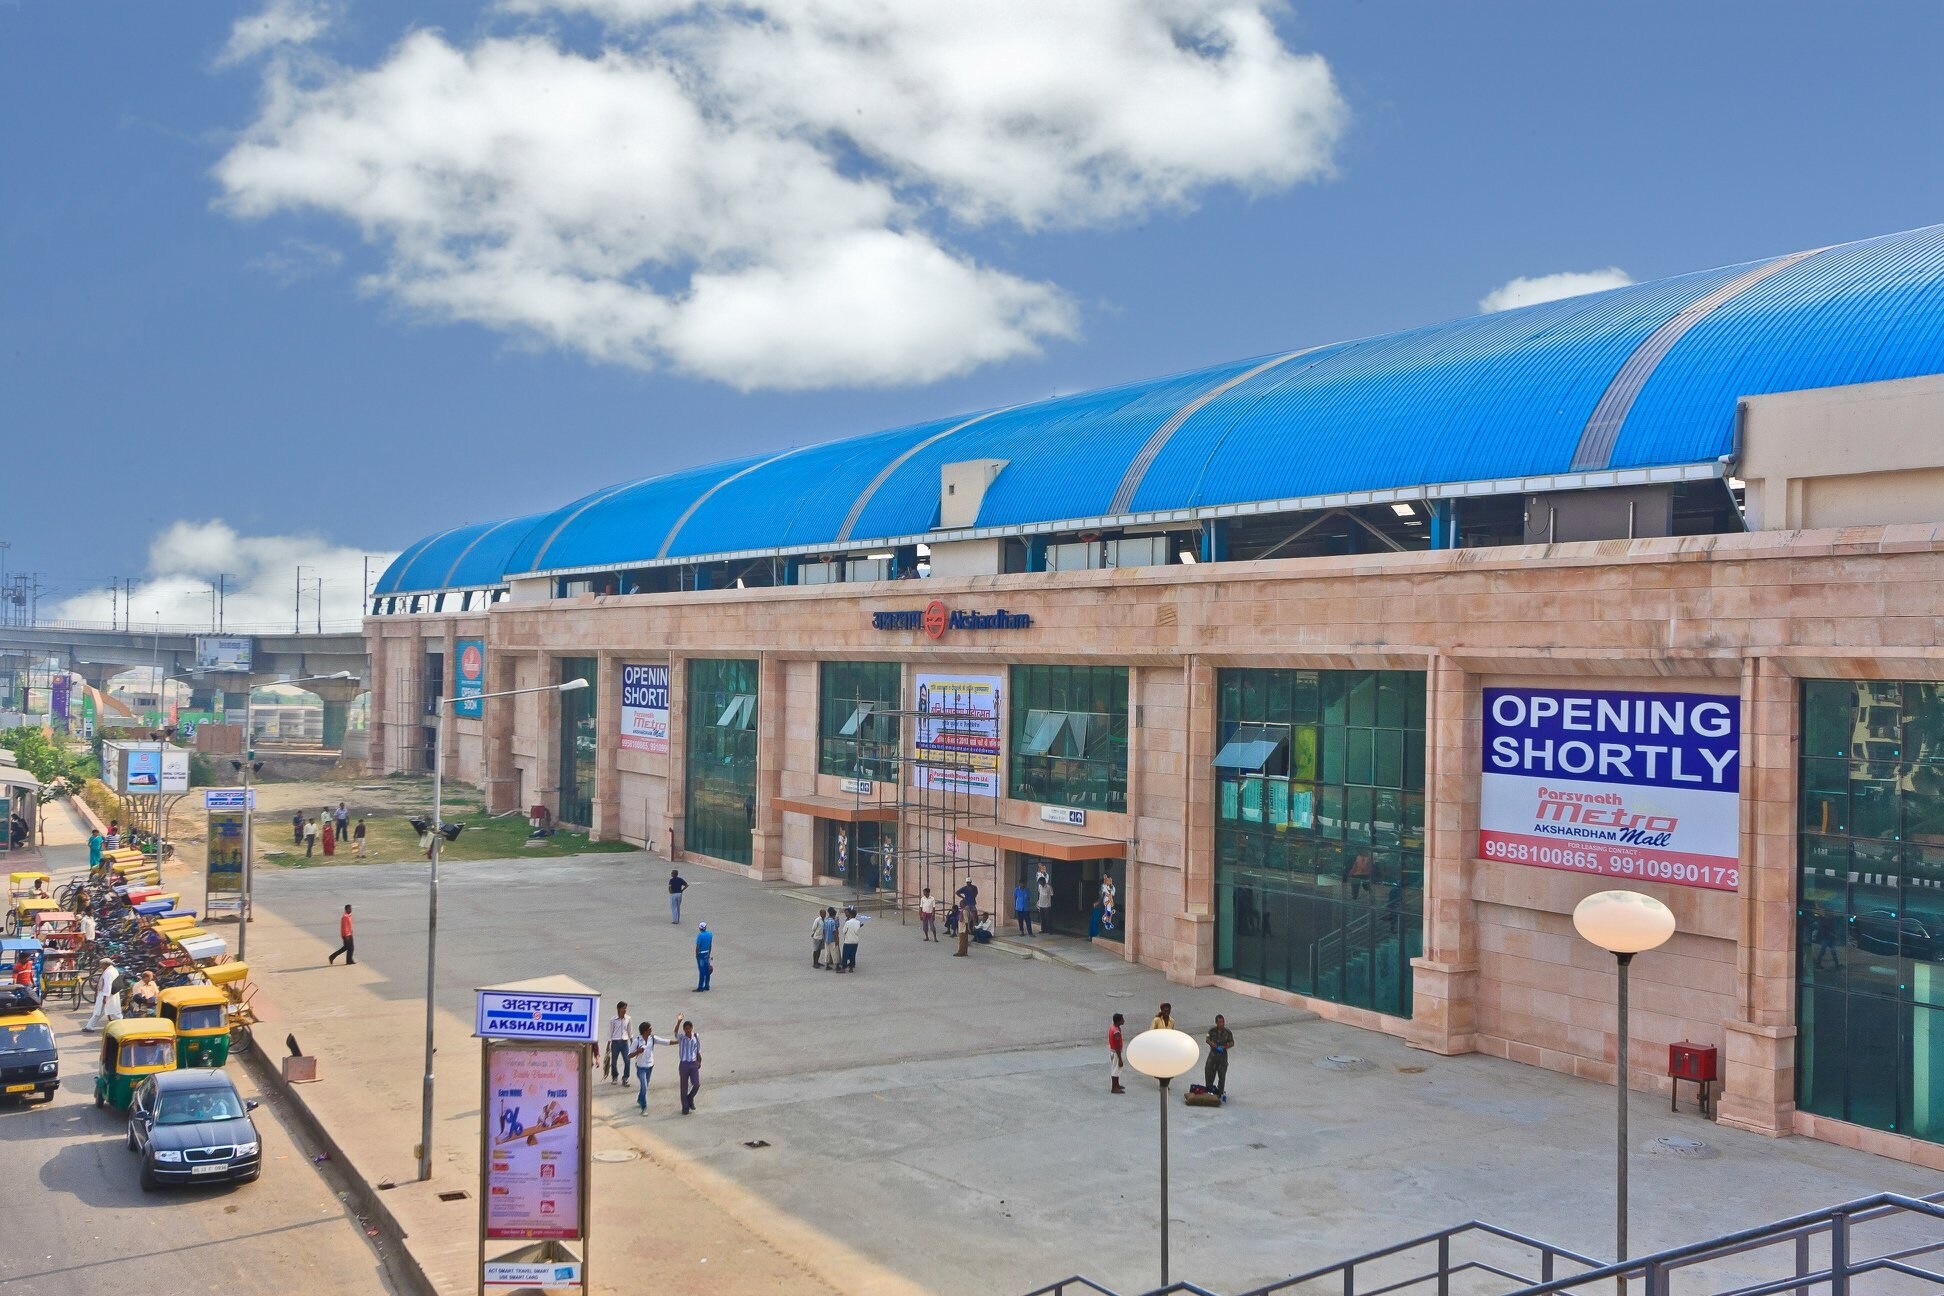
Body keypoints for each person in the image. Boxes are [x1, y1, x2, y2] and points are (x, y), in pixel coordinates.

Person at [630, 1017, 678, 1113]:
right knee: (643, 1085)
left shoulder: (652, 1038)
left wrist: (678, 1041)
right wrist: (637, 1051)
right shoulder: (637, 1041)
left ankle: (640, 1098)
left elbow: (665, 1042)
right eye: (649, 1029)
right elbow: (629, 1055)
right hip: (640, 1067)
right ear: (645, 1031)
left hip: (650, 1066)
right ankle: (644, 1107)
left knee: (646, 1085)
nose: (651, 1030)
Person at [84, 959, 122, 1031]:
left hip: (106, 994)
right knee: (104, 1011)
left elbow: (108, 985)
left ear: (105, 964)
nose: (100, 966)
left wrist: (105, 997)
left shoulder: (108, 972)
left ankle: (89, 1027)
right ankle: (89, 1026)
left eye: (101, 964)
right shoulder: (113, 970)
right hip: (111, 993)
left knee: (110, 1012)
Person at [1204, 1014, 1235, 1099]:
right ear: (1216, 1023)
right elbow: (1207, 1039)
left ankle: (1220, 1092)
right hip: (1212, 1057)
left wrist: (1225, 1047)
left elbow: (1232, 1043)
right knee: (1209, 1074)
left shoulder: (1227, 1032)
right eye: (1220, 1022)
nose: (1222, 1024)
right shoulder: (1212, 1031)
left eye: (1223, 1022)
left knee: (1222, 1076)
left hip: (1222, 1058)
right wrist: (1211, 1044)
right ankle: (1209, 1091)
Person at [677, 1018, 702, 1114]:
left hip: (693, 1063)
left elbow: (698, 1050)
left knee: (696, 1084)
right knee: (684, 1087)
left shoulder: (696, 1036)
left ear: (692, 1028)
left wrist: (699, 1061)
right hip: (683, 1063)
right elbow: (675, 1032)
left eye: (689, 1028)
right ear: (684, 1029)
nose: (687, 1030)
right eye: (685, 1029)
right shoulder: (681, 1037)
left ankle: (690, 1097)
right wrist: (679, 1022)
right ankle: (685, 1107)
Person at [604, 1002, 633, 1084]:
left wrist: (632, 1042)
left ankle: (625, 1077)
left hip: (624, 1043)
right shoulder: (613, 1020)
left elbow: (630, 1031)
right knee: (614, 1061)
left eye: (626, 1008)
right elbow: (610, 1033)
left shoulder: (628, 1019)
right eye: (623, 1008)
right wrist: (608, 1045)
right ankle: (615, 1076)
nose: (625, 1010)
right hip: (615, 1043)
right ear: (618, 1009)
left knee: (627, 1061)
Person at [1108, 1013, 1127, 1094]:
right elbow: (1117, 1046)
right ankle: (1114, 1088)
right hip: (1116, 1053)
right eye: (1122, 1019)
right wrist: (1120, 1059)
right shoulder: (1116, 1032)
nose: (1124, 1021)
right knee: (1116, 1070)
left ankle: (1117, 1085)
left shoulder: (1112, 1027)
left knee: (1115, 1069)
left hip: (1112, 1052)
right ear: (1119, 1021)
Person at [840, 907, 862, 972]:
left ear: (851, 915)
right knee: (853, 954)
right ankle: (851, 968)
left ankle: (843, 968)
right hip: (855, 941)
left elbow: (844, 931)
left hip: (848, 941)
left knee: (845, 955)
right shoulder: (858, 922)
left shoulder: (848, 922)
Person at [694, 922, 713, 991]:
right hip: (707, 953)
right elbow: (710, 945)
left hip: (701, 954)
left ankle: (700, 987)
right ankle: (707, 986)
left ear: (700, 928)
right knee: (707, 971)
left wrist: (696, 955)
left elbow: (697, 946)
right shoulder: (710, 934)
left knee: (702, 971)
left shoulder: (700, 935)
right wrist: (709, 954)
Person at [1036, 865, 1053, 936]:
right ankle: (1043, 929)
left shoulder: (1048, 887)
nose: (1040, 883)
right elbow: (1040, 895)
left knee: (1047, 918)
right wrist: (1038, 904)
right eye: (1039, 883)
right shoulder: (1040, 887)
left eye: (1041, 882)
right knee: (1042, 918)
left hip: (1047, 905)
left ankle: (1049, 930)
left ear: (1044, 881)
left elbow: (1052, 894)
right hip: (1041, 905)